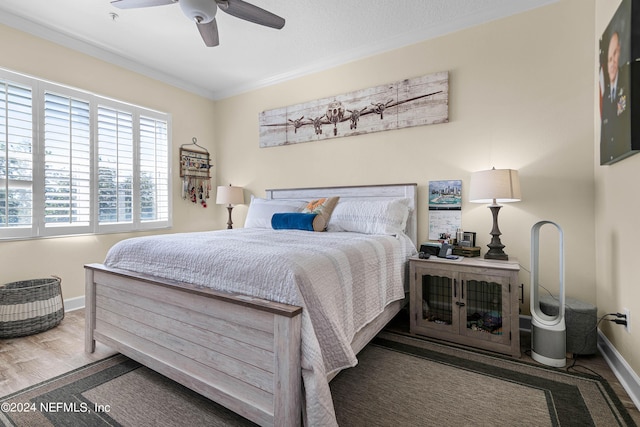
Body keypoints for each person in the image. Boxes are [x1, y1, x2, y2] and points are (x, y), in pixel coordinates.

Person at [600, 30, 631, 164]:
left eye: (615, 55)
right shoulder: (606, 95)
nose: (612, 63)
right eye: (609, 60)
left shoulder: (627, 81)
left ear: (619, 53)